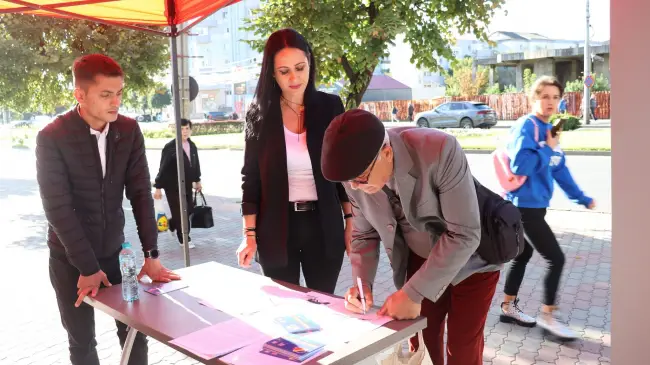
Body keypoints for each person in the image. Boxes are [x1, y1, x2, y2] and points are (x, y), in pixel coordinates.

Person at [320, 109, 501, 365]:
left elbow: (465, 233)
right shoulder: (355, 178)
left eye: (360, 179)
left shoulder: (439, 150)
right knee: (421, 343)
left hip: (473, 259)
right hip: (418, 258)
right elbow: (364, 234)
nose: (354, 188)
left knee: (462, 348)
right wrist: (363, 285)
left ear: (386, 152)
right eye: (348, 182)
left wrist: (413, 293)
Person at [35, 54, 180, 365]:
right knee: (82, 342)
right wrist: (87, 268)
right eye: (106, 94)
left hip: (116, 254)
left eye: (119, 93)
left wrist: (151, 255)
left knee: (135, 334)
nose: (116, 102)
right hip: (69, 259)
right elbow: (57, 208)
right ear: (80, 95)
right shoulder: (52, 137)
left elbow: (141, 194)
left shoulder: (127, 130)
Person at [236, 28, 351, 294]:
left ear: (310, 62)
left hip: (324, 225)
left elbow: (343, 174)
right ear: (272, 73)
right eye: (284, 71)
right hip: (276, 228)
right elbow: (250, 179)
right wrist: (249, 236)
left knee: (323, 305)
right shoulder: (259, 115)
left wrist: (351, 224)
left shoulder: (330, 107)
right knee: (285, 309)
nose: (294, 77)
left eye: (300, 67)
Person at [498, 76, 595, 340]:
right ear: (534, 99)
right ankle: (549, 316)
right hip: (523, 208)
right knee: (557, 258)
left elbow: (559, 169)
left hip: (535, 207)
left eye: (555, 97)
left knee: (522, 255)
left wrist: (582, 198)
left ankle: (507, 308)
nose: (551, 102)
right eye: (545, 96)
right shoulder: (527, 126)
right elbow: (520, 166)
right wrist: (546, 148)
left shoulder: (549, 129)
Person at [153, 118, 202, 249]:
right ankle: (184, 238)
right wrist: (158, 187)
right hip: (172, 186)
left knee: (189, 209)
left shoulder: (192, 146)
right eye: (182, 129)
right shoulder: (170, 148)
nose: (185, 132)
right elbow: (162, 168)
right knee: (180, 212)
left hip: (186, 185)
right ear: (177, 130)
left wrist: (197, 180)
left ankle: (171, 225)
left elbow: (195, 165)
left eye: (187, 129)